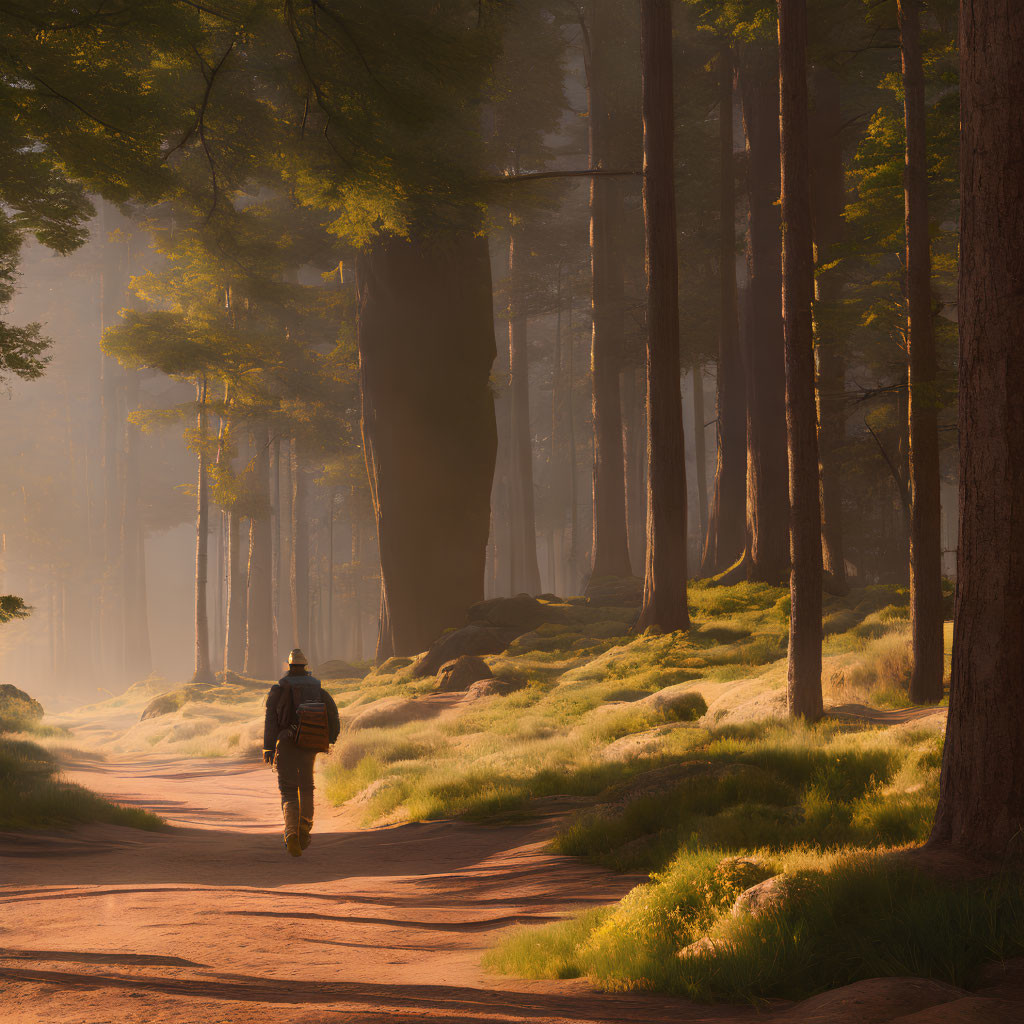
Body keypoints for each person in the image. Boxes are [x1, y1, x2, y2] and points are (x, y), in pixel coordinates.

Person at [263, 649, 341, 857]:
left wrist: (268, 747)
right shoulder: (318, 689)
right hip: (310, 743)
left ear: (290, 667)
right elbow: (333, 715)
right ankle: (304, 827)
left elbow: (271, 720)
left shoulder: (279, 689)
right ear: (305, 667)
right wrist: (329, 739)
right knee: (307, 787)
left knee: (288, 790)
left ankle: (291, 835)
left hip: (286, 743)